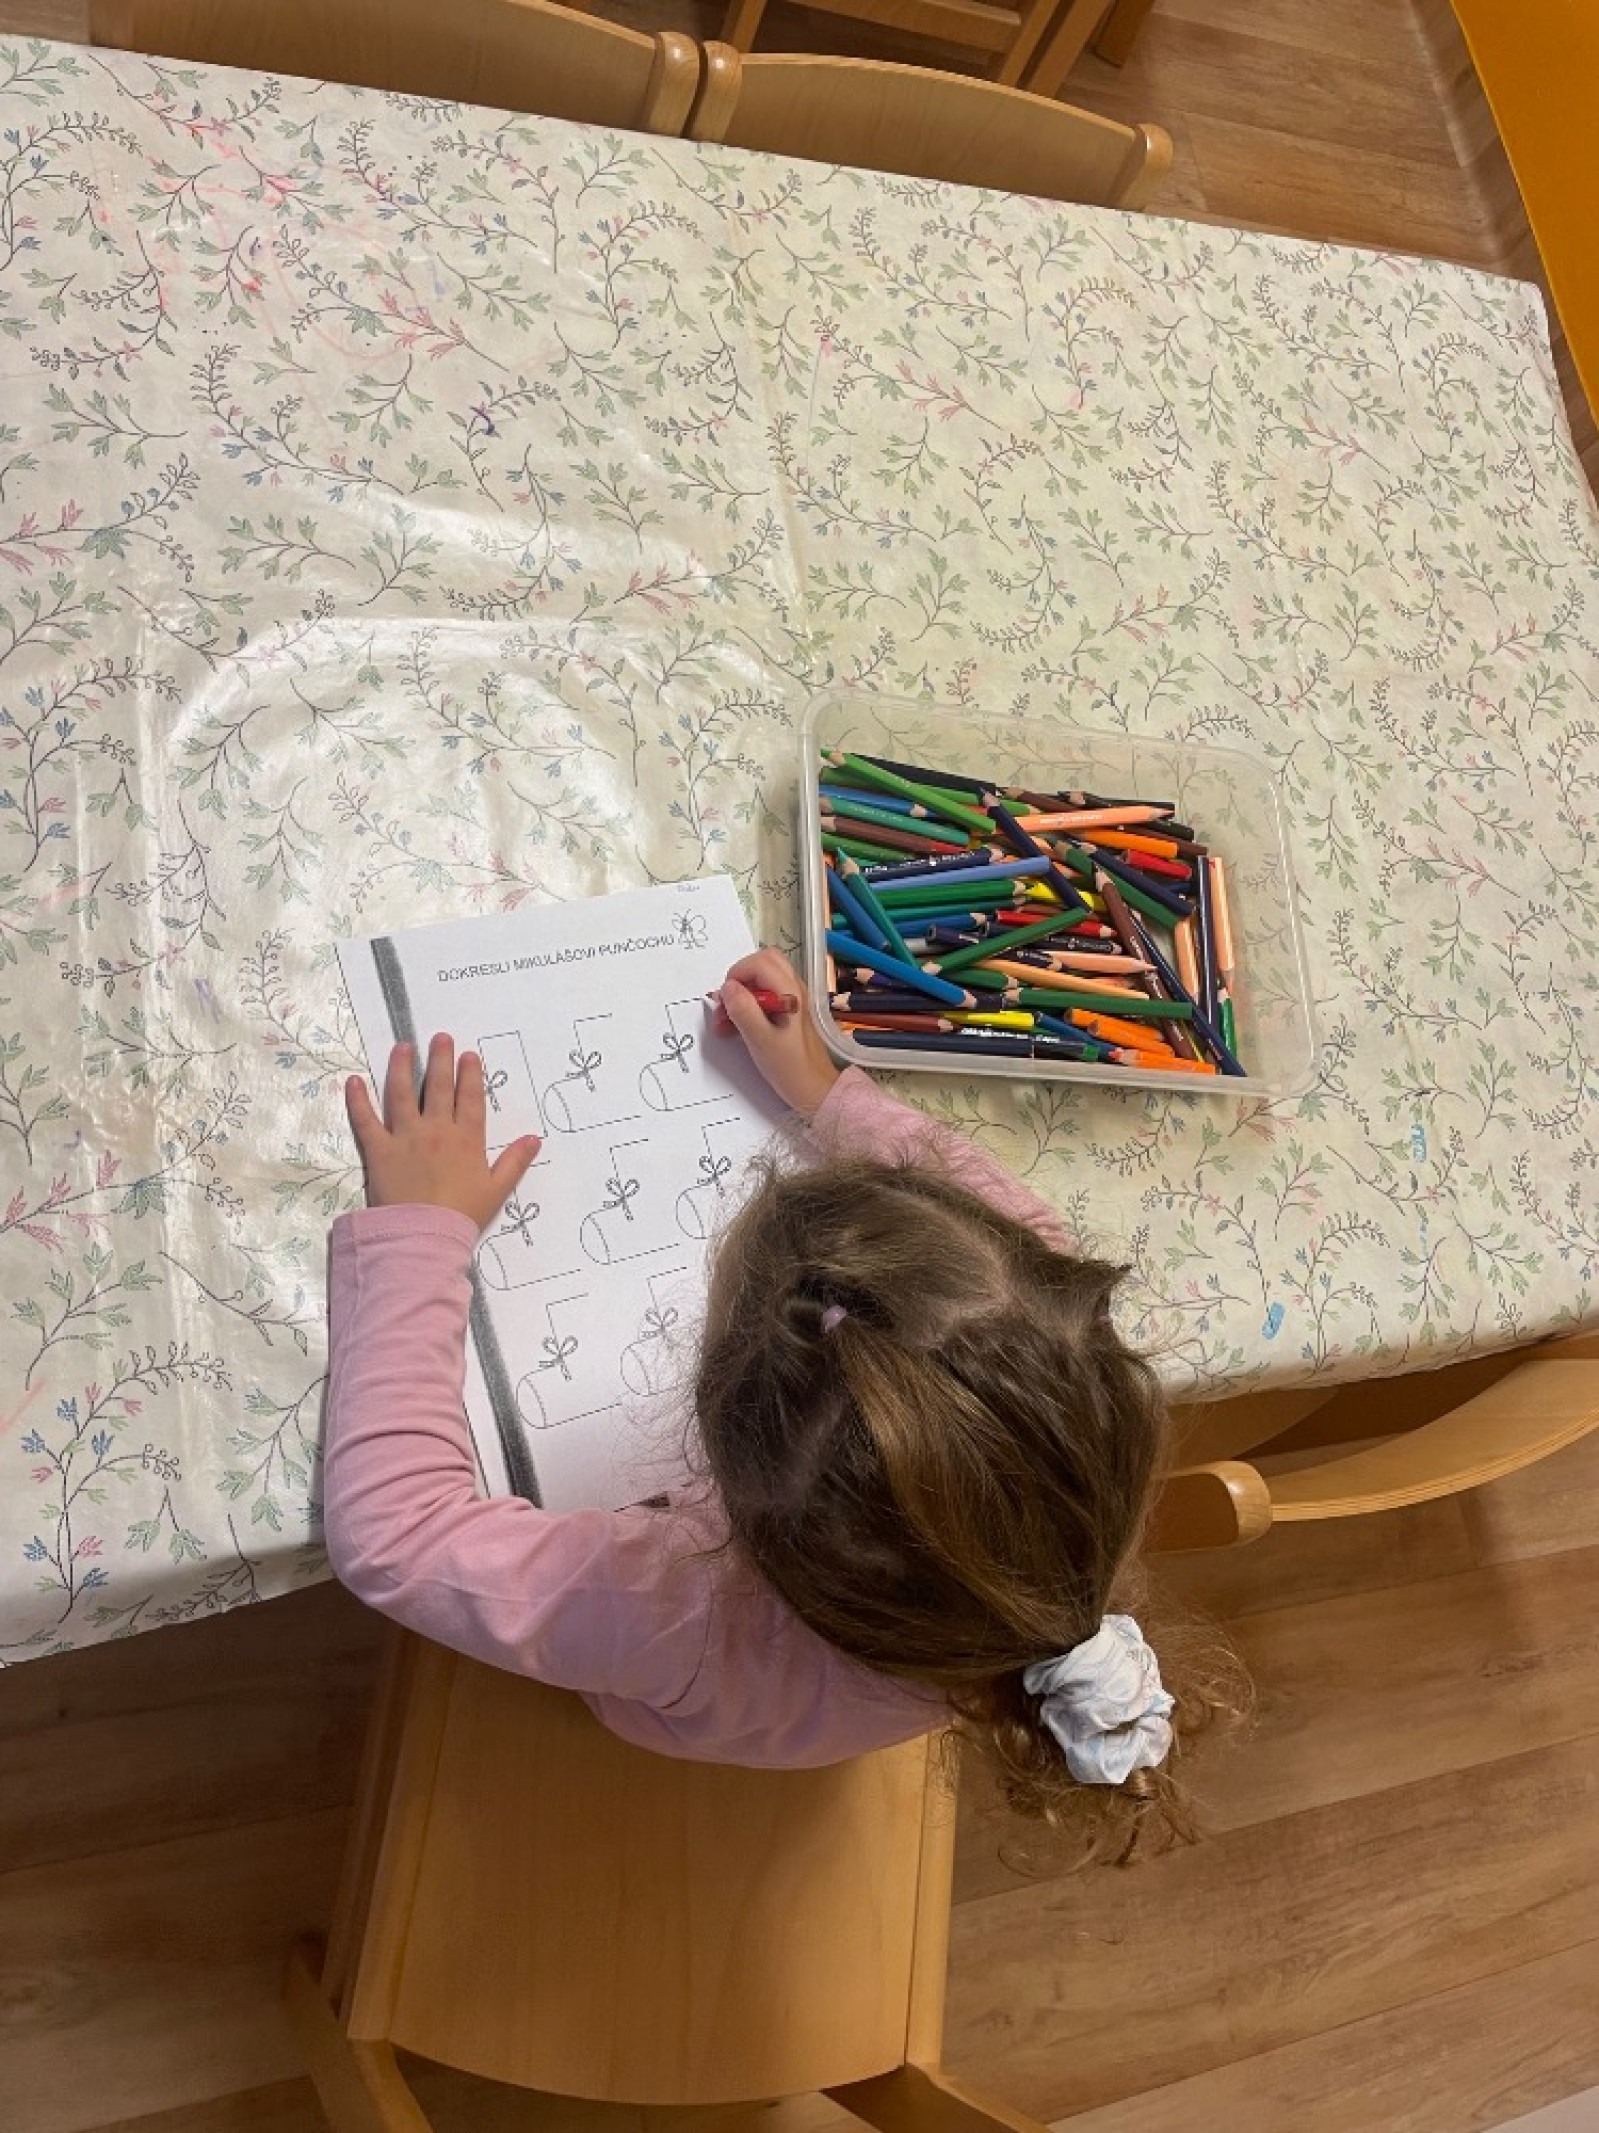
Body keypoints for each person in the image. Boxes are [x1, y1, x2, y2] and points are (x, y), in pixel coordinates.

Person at [326, 948, 1237, 1862]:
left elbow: (393, 1531)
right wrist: (825, 1090)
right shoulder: (1057, 1473)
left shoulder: (680, 1603)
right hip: (844, 1704)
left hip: (664, 1711)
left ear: (725, 1441)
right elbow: (1021, 1237)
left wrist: (420, 1230)